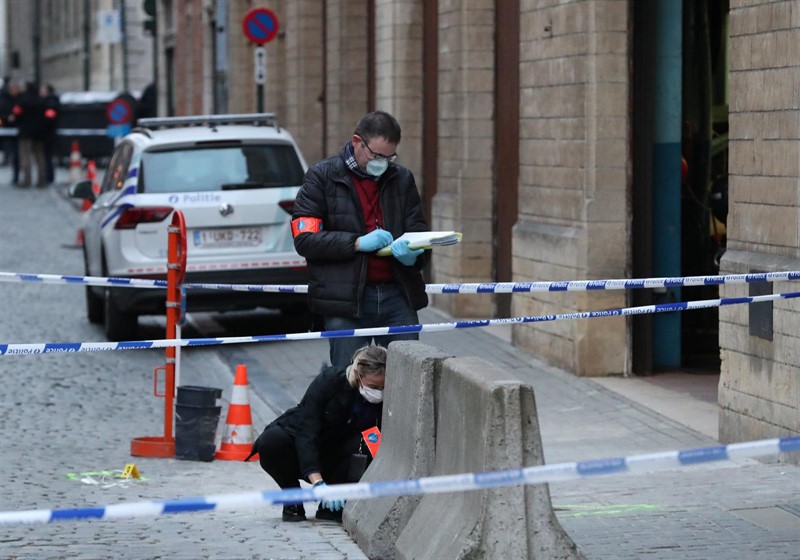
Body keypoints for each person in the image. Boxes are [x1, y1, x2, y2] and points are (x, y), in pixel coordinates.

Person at [292, 111, 429, 369]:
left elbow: (419, 231)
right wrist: (356, 243)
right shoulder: (322, 177)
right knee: (348, 379)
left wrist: (413, 254)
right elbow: (306, 239)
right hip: (346, 300)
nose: (383, 163)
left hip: (397, 294)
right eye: (377, 156)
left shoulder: (401, 179)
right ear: (357, 142)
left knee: (410, 373)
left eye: (390, 157)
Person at [247, 344, 387, 523]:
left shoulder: (387, 396)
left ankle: (332, 505)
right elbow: (306, 430)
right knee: (271, 442)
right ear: (358, 374)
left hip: (340, 453)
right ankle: (293, 498)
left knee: (367, 443)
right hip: (305, 446)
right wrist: (318, 483)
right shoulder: (330, 381)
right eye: (373, 386)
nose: (378, 392)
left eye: (383, 387)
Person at [15, 82, 47, 188]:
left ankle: (27, 180)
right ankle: (41, 180)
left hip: (25, 132)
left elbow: (17, 114)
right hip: (39, 133)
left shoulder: (23, 100)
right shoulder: (41, 101)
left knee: (25, 157)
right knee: (40, 157)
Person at [0, 79, 21, 183]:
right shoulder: (3, 99)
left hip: (19, 131)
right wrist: (6, 118)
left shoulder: (21, 99)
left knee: (17, 155)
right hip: (5, 130)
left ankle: (16, 177)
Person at [40, 84, 60, 185]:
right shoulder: (50, 101)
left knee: (47, 157)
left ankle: (49, 177)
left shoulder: (50, 102)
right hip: (48, 133)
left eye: (43, 90)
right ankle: (48, 176)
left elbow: (49, 119)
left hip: (48, 134)